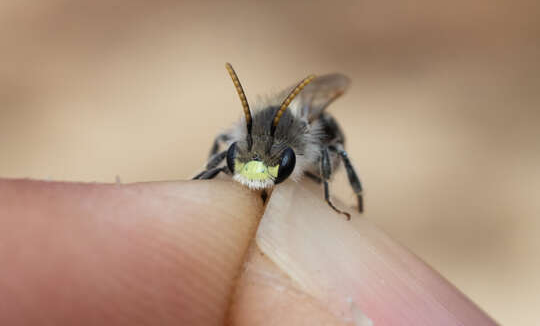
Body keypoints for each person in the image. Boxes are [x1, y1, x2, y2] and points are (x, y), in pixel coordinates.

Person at [0, 178, 496, 325]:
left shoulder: (302, 145)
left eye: (270, 165)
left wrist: (335, 198)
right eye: (245, 162)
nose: (256, 172)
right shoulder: (244, 148)